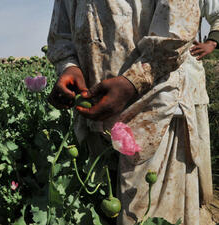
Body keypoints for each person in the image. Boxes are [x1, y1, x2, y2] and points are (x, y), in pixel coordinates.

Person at [46, 0, 218, 224]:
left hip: (156, 109)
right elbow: (62, 34)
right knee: (106, 207)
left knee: (147, 215)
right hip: (97, 116)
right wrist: (69, 67)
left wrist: (133, 81)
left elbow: (177, 25)